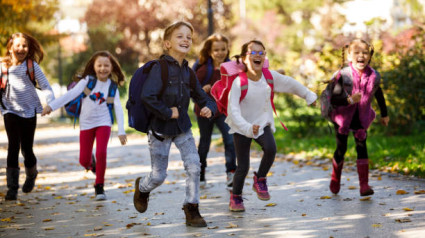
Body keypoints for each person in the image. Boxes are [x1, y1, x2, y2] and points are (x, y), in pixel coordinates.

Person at [132, 21, 217, 227]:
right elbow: (147, 96)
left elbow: (201, 95)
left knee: (194, 167)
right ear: (167, 43)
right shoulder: (159, 68)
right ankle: (142, 188)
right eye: (180, 36)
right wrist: (167, 111)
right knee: (158, 176)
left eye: (189, 37)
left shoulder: (188, 72)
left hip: (183, 129)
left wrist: (209, 107)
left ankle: (192, 208)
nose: (185, 40)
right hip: (159, 130)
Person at [225, 40, 317, 212]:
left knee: (271, 148)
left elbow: (290, 83)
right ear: (245, 58)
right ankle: (236, 197)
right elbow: (233, 111)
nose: (258, 55)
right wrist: (246, 127)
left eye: (262, 52)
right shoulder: (239, 83)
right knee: (242, 167)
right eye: (253, 52)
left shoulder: (269, 77)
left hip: (262, 123)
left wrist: (308, 95)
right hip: (241, 127)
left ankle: (260, 179)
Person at [42, 50, 127, 200]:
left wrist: (121, 131)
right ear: (93, 66)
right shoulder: (87, 81)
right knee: (83, 160)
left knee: (101, 153)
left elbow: (118, 109)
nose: (103, 68)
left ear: (112, 67)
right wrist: (51, 106)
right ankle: (92, 165)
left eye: (106, 65)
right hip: (86, 124)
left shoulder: (112, 86)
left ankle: (99, 186)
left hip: (104, 123)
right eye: (99, 65)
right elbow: (70, 95)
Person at [328, 39, 389, 196]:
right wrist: (348, 100)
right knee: (341, 149)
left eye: (365, 52)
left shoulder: (373, 75)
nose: (361, 55)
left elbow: (379, 93)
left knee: (362, 147)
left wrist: (384, 114)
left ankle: (364, 185)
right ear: (350, 56)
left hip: (361, 117)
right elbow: (334, 99)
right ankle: (335, 179)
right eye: (357, 52)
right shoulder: (344, 75)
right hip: (342, 117)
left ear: (369, 56)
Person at [1, 33, 55, 201]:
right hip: (9, 110)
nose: (21, 49)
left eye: (24, 46)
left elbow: (45, 85)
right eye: (17, 45)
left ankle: (31, 174)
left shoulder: (31, 66)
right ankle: (12, 188)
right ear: (10, 48)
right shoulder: (3, 66)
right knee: (13, 146)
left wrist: (49, 103)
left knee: (27, 149)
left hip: (29, 111)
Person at [193, 34, 237, 187]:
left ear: (227, 49)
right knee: (205, 143)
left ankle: (231, 173)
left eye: (223, 49)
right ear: (210, 51)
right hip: (205, 111)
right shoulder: (205, 69)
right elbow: (192, 88)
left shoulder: (232, 67)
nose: (220, 52)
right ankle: (201, 174)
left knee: (230, 140)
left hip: (223, 110)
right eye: (216, 50)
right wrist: (202, 90)